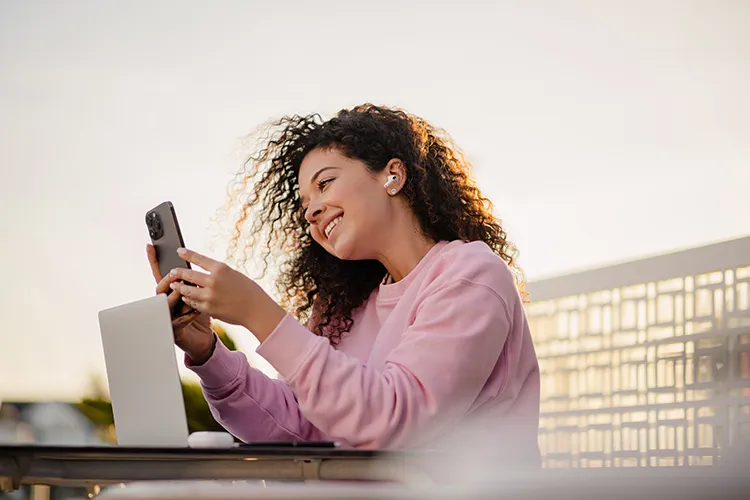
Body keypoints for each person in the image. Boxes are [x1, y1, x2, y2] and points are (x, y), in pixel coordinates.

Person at [146, 104, 540, 463]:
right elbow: (301, 428)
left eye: (325, 183)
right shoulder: (345, 310)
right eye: (303, 205)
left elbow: (393, 421)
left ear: (393, 175)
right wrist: (208, 354)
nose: (313, 211)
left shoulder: (470, 274)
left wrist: (258, 314)